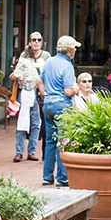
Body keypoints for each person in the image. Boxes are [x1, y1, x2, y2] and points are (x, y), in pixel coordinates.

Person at [41, 35, 81, 187]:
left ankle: (47, 176)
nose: (75, 50)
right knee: (63, 141)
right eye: (74, 48)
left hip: (48, 104)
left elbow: (40, 80)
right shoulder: (67, 65)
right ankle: (62, 178)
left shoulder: (49, 61)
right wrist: (76, 89)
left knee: (50, 141)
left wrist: (45, 95)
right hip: (62, 106)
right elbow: (68, 92)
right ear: (70, 50)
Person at [10, 31, 47, 163]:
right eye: (34, 40)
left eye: (39, 40)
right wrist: (19, 77)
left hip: (38, 94)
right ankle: (19, 152)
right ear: (30, 43)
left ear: (42, 42)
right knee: (22, 122)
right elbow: (13, 75)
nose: (36, 42)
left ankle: (32, 151)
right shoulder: (24, 56)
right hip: (24, 93)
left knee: (36, 124)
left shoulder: (46, 57)